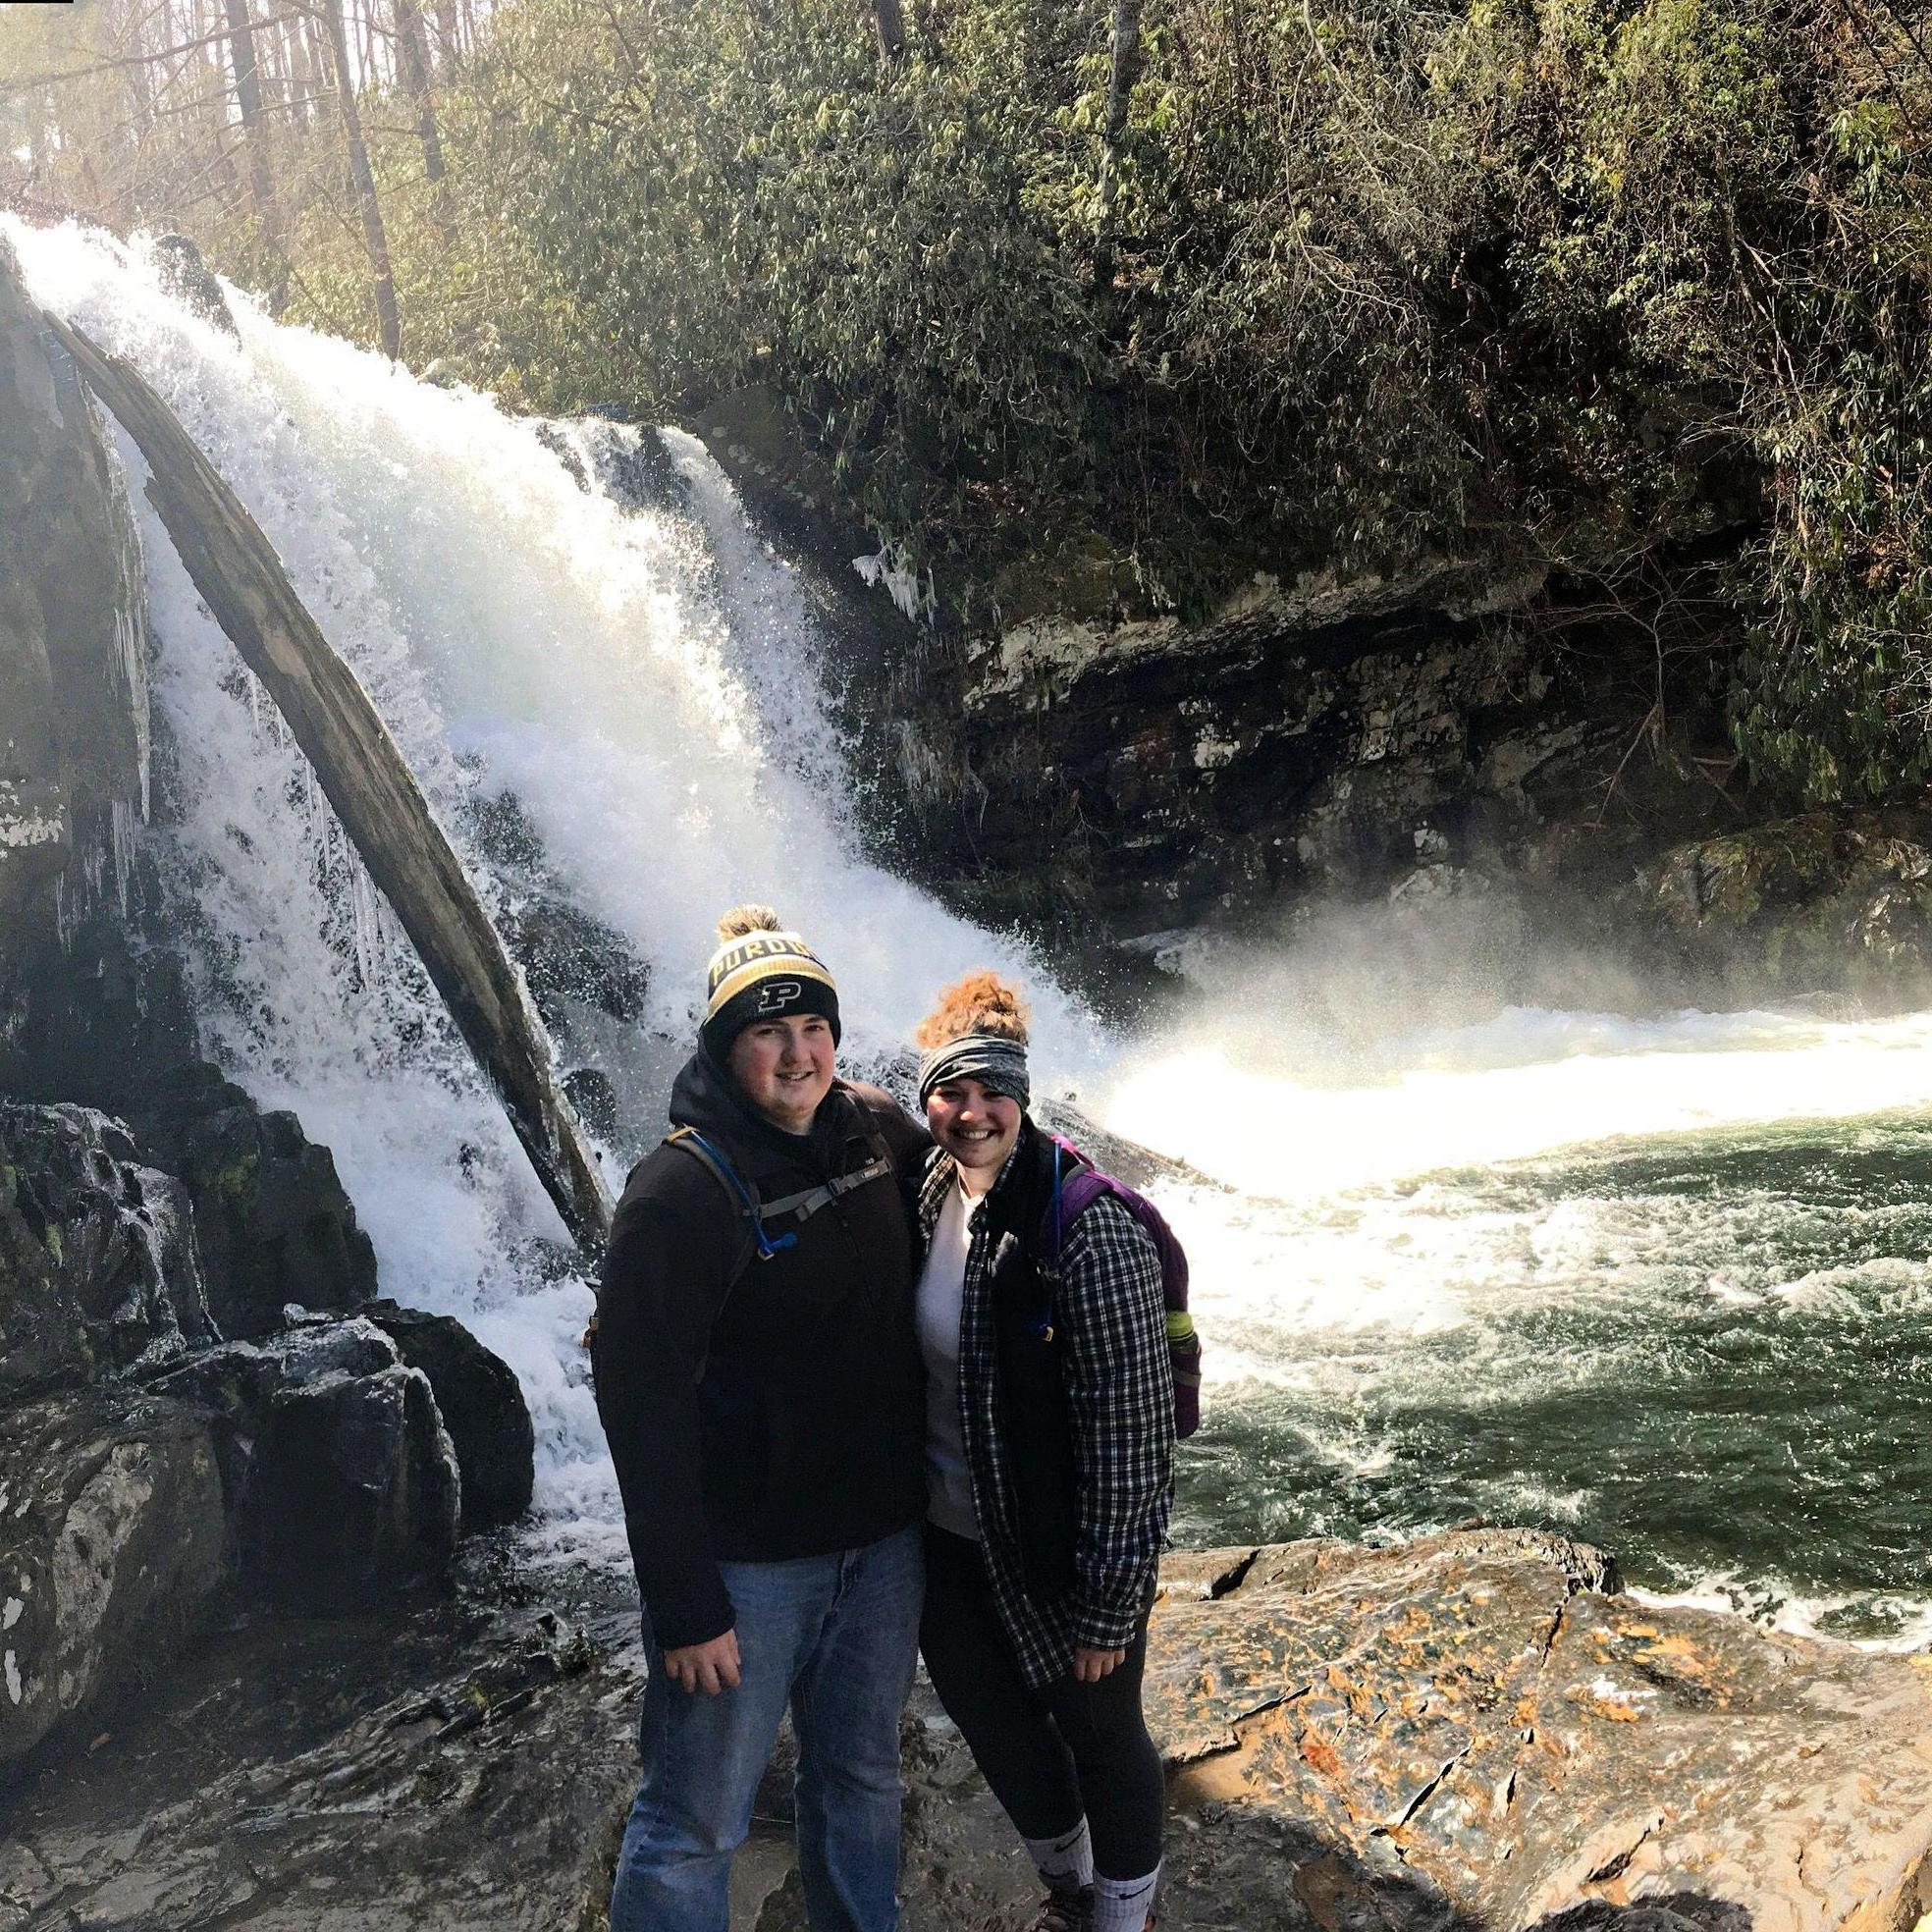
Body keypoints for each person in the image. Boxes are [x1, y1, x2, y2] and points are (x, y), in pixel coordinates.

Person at [593, 905, 931, 1932]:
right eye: (767, 1034)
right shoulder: (676, 1195)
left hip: (880, 1549)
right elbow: (637, 1408)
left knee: (862, 1781)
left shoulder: (875, 1131)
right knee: (695, 1820)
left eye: (814, 1028)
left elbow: (988, 1176)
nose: (798, 1054)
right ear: (723, 1046)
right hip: (749, 1573)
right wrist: (686, 1604)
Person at [909, 973, 1175, 1932]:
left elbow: (1132, 1432)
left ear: (1022, 1094)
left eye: (992, 1092)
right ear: (926, 1096)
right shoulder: (925, 1189)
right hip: (948, 1544)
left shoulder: (1087, 1228)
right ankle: (1071, 1893)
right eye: (951, 1092)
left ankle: (1124, 1919)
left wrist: (1112, 1597)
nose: (972, 1112)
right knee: (996, 1726)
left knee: (1103, 1740)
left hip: (1061, 1553)